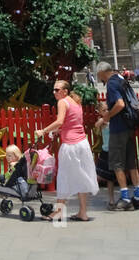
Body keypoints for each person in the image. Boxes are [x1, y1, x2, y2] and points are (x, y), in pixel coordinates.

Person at [37, 77, 98, 222]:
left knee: (63, 177)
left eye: (57, 90)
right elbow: (73, 123)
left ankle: (58, 212)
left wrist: (43, 131)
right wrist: (60, 130)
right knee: (82, 176)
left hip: (70, 146)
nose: (54, 92)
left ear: (65, 91)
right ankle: (83, 212)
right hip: (83, 144)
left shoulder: (62, 102)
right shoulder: (76, 102)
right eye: (53, 89)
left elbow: (60, 120)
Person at [95, 61, 139, 211]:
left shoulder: (111, 83)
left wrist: (107, 116)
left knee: (117, 164)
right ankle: (138, 197)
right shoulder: (122, 79)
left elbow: (120, 104)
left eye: (99, 76)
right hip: (129, 127)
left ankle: (125, 198)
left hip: (118, 128)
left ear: (102, 72)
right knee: (131, 163)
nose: (100, 79)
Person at [93, 122, 116, 210]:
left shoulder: (115, 119)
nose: (106, 111)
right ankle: (90, 190)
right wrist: (103, 120)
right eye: (103, 110)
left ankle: (111, 199)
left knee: (111, 178)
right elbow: (96, 126)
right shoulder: (102, 122)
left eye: (107, 109)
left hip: (115, 151)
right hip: (105, 151)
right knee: (99, 174)